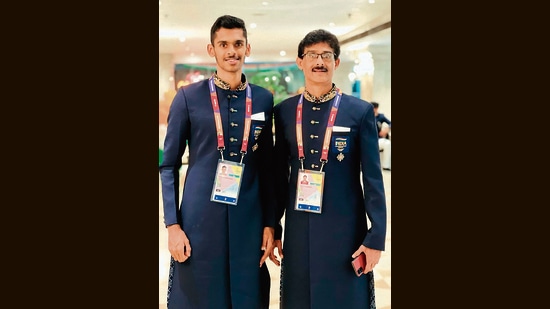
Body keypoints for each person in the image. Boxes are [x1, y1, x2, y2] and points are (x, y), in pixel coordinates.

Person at [159, 15, 277, 309]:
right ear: (211, 50)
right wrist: (173, 225)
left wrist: (271, 223)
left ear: (247, 48)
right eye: (223, 44)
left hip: (248, 216)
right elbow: (168, 165)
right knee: (200, 292)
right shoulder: (188, 97)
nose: (231, 51)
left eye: (238, 43)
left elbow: (269, 168)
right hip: (200, 217)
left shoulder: (262, 99)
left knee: (247, 292)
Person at [270, 29, 387, 309]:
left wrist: (376, 237)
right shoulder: (285, 111)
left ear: (336, 61)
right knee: (299, 298)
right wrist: (274, 226)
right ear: (300, 62)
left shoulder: (357, 111)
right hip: (298, 226)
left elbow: (372, 178)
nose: (319, 61)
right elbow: (277, 176)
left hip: (345, 226)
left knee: (344, 297)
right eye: (312, 55)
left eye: (326, 55)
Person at [372, 102, 391, 171]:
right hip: (368, 139)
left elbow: (390, 123)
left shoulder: (380, 117)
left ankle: (386, 166)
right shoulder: (366, 116)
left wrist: (387, 129)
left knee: (387, 143)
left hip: (378, 139)